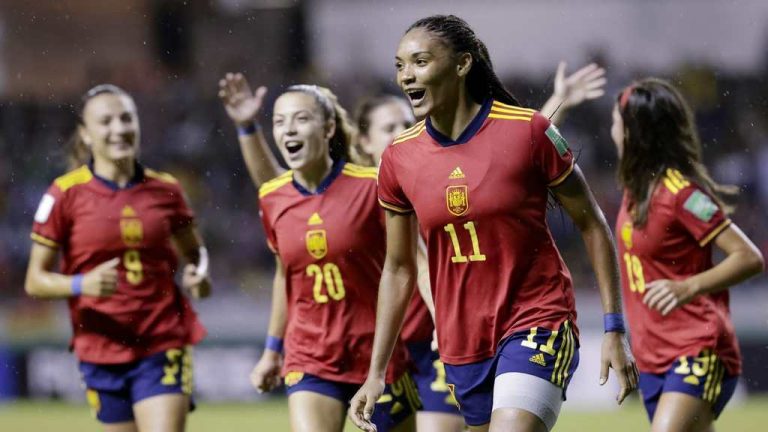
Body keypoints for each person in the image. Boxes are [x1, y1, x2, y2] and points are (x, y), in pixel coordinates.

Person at [219, 59, 606, 431]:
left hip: (443, 334)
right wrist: (248, 129)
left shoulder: (423, 174)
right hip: (388, 342)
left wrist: (558, 105)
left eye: (406, 123)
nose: (402, 130)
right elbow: (285, 193)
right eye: (389, 126)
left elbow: (504, 153)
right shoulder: (375, 186)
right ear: (365, 141)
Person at [348, 15, 638, 432]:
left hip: (537, 319)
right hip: (462, 343)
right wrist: (376, 373)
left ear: (462, 64)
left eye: (420, 62)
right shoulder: (399, 158)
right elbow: (398, 268)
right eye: (400, 65)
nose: (406, 75)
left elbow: (592, 223)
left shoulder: (529, 131)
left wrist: (614, 327)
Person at [220, 82, 419, 432]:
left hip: (377, 355)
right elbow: (285, 275)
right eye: (279, 121)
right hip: (310, 355)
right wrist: (271, 350)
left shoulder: (372, 186)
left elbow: (407, 264)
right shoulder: (272, 198)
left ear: (328, 129)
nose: (288, 129)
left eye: (301, 119)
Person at [25, 84, 211, 432]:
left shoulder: (167, 190)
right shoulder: (64, 195)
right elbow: (35, 280)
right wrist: (82, 284)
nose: (119, 128)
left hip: (162, 339)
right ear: (86, 134)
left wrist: (198, 273)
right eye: (106, 121)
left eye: (126, 118)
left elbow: (195, 252)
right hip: (101, 347)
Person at [611, 78, 764, 431]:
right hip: (652, 357)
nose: (612, 131)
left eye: (616, 123)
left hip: (697, 347)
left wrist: (687, 286)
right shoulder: (635, 192)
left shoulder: (682, 195)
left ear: (634, 133)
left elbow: (748, 256)